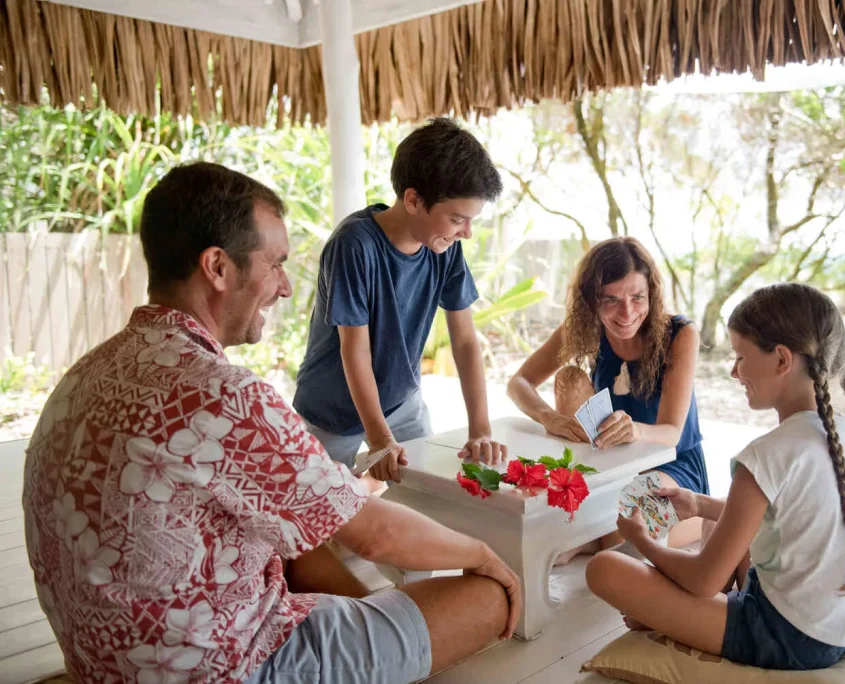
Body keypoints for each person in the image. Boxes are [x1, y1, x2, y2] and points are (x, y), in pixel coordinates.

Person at [22, 162, 520, 684]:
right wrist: (484, 555)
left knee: (298, 538)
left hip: (104, 659)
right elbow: (374, 536)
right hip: (224, 665)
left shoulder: (84, 374)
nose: (284, 288)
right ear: (217, 267)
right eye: (275, 264)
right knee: (484, 597)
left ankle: (375, 637)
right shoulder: (221, 393)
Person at [585, 283, 845, 671]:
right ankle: (684, 613)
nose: (733, 371)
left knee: (605, 569)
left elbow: (704, 580)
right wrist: (697, 504)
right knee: (718, 527)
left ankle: (679, 617)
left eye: (740, 357)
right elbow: (784, 515)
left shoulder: (765, 455)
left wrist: (642, 541)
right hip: (837, 626)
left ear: (781, 359)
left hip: (786, 637)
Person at [293, 118, 508, 481]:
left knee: (430, 492)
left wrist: (480, 428)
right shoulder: (354, 244)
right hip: (332, 408)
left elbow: (466, 340)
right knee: (321, 515)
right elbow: (354, 349)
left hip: (401, 402)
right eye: (458, 219)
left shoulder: (445, 247)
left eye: (470, 221)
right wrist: (379, 440)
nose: (466, 233)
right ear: (413, 200)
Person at [507, 237, 708, 553]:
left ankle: (701, 517)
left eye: (637, 297)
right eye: (610, 300)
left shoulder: (680, 334)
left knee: (625, 531)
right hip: (611, 468)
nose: (626, 313)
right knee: (568, 379)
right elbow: (519, 382)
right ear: (591, 300)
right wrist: (551, 418)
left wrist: (635, 430)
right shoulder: (585, 327)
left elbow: (671, 433)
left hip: (674, 466)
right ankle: (588, 533)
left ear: (652, 294)